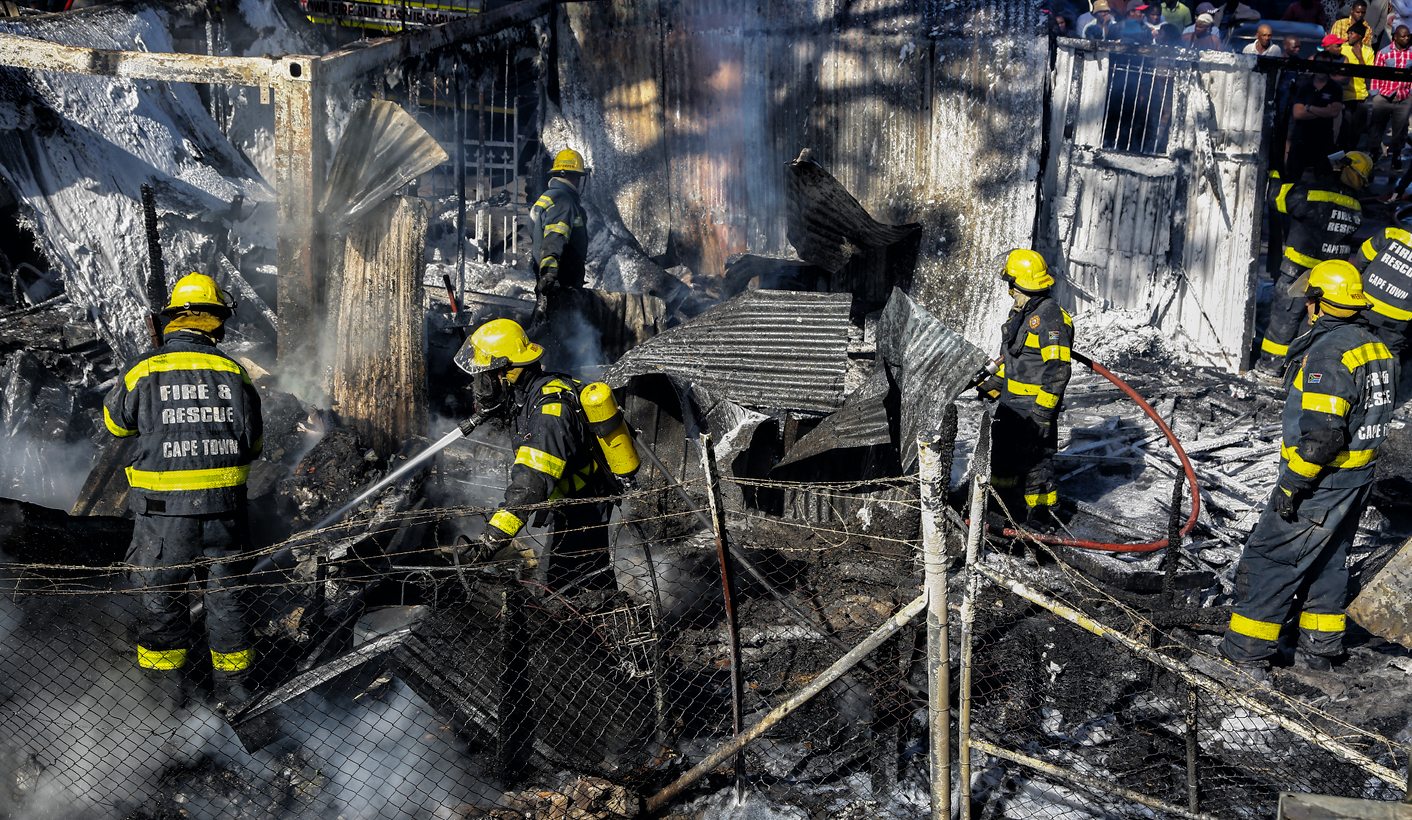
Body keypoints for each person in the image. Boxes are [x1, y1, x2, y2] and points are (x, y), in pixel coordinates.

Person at [1220, 261, 1394, 681]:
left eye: (1310, 300)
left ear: (1318, 304)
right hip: (1356, 478)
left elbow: (1324, 438)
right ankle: (1319, 650)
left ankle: (1246, 656)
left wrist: (1292, 485)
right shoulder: (1376, 347)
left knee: (1271, 559)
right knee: (1329, 558)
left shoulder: (1329, 354)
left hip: (1321, 481)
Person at [103, 273, 263, 713]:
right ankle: (237, 702)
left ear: (174, 318)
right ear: (215, 321)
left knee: (161, 606)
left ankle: (164, 709)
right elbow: (254, 445)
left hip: (162, 522)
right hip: (226, 521)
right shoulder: (234, 373)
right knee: (228, 607)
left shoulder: (145, 368)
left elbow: (116, 425)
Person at [454, 318, 620, 587]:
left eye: (483, 377)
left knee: (563, 585)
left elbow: (530, 486)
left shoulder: (549, 412)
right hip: (576, 502)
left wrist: (489, 542)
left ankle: (602, 620)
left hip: (585, 506)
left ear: (505, 372)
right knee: (581, 576)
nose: (479, 386)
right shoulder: (531, 393)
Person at [977, 251, 1074, 529]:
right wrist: (994, 386)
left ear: (1026, 285)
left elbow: (1058, 371)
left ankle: (1040, 523)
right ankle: (999, 515)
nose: (1010, 291)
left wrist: (1042, 414)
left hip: (1033, 409)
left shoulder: (1050, 318)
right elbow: (1015, 359)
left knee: (1036, 469)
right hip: (1011, 407)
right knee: (1003, 462)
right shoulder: (1022, 313)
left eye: (1012, 285)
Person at [1259, 152, 1370, 373]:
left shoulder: (1314, 194)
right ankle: (1297, 370)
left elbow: (1276, 197)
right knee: (1310, 324)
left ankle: (1270, 367)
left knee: (1285, 320)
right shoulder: (1356, 206)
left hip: (1298, 272)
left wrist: (1271, 172)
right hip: (1329, 280)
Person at [529, 148, 590, 328]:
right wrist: (550, 272)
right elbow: (555, 237)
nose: (579, 182)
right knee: (559, 331)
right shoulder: (564, 200)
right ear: (571, 176)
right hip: (560, 282)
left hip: (549, 280)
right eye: (578, 176)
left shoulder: (548, 197)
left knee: (543, 325)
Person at [1349, 225, 1412, 356]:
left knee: (1349, 347)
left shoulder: (1392, 233)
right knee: (1387, 358)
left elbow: (1363, 257)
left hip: (1365, 306)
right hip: (1396, 319)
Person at [1284, 54, 1346, 181]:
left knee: (1323, 179)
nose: (1321, 68)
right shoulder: (1303, 86)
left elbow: (1334, 112)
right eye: (1319, 65)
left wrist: (1309, 108)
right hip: (1301, 138)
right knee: (1292, 177)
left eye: (1325, 65)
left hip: (1324, 139)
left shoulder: (1335, 88)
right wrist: (1324, 111)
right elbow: (1298, 113)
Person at [1364, 26, 1412, 170]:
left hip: (1404, 96)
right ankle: (1373, 152)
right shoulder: (1384, 53)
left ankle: (1396, 154)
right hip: (1384, 95)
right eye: (1403, 36)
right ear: (1395, 37)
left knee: (1400, 128)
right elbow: (1376, 74)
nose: (1406, 39)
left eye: (1408, 36)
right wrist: (1375, 94)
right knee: (1377, 126)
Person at [1340, 23, 1376, 149]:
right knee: (1345, 128)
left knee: (1357, 130)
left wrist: (1359, 57)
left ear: (1360, 36)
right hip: (1345, 95)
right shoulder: (1343, 48)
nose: (1348, 36)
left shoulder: (1368, 51)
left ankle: (1352, 155)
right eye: (1348, 33)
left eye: (1351, 33)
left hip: (1361, 96)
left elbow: (1368, 75)